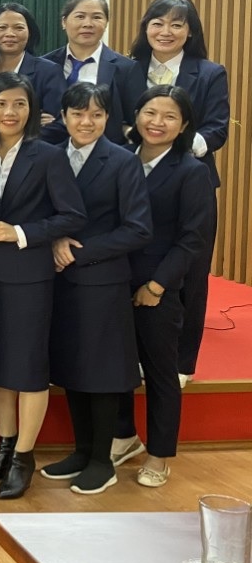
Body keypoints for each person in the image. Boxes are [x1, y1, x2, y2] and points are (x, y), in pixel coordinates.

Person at [0, 72, 85, 500]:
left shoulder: (48, 155)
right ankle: (4, 447)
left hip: (28, 276)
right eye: (1, 104)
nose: (10, 112)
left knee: (29, 367)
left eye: (19, 104)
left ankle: (24, 456)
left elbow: (72, 215)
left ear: (32, 109)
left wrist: (20, 232)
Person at [43, 82, 152, 495]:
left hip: (101, 279)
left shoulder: (123, 161)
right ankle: (81, 450)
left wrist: (80, 252)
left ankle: (103, 461)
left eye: (96, 114)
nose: (86, 122)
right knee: (72, 366)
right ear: (63, 117)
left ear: (108, 117)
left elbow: (138, 228)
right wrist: (54, 241)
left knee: (101, 371)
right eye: (77, 113)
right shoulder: (51, 155)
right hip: (59, 280)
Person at [111, 85, 216, 489]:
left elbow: (193, 239)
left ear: (184, 125)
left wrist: (157, 286)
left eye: (170, 116)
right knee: (117, 366)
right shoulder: (120, 159)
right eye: (150, 112)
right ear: (136, 115)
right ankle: (124, 436)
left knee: (160, 373)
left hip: (159, 286)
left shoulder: (191, 171)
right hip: (113, 280)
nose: (157, 122)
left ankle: (159, 454)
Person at [123, 0, 228, 382]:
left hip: (188, 179)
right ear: (145, 28)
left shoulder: (210, 72)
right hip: (134, 178)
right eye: (157, 23)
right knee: (136, 264)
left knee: (191, 270)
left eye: (176, 24)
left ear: (190, 31)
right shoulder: (127, 69)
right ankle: (134, 352)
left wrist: (175, 146)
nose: (165, 31)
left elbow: (217, 128)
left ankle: (183, 361)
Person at [40, 0, 135, 145]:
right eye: (80, 16)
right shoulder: (44, 65)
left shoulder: (126, 68)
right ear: (64, 22)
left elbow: (134, 121)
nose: (88, 24)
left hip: (105, 154)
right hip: (50, 151)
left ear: (106, 23)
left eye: (97, 17)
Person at [0, 2, 64, 135]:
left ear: (29, 33)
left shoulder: (48, 71)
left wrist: (15, 140)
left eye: (18, 28)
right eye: (2, 28)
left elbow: (57, 124)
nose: (10, 34)